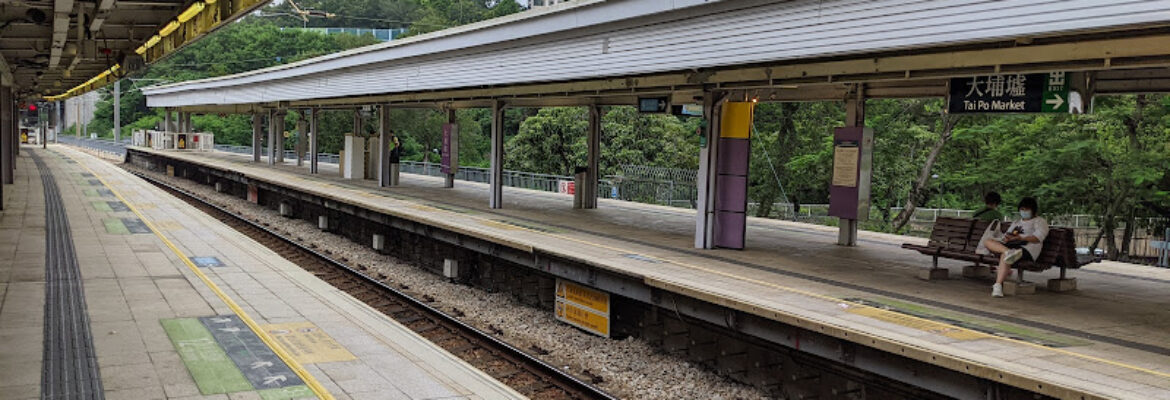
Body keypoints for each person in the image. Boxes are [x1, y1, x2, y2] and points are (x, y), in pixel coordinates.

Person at [982, 197, 1049, 297]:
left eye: (1026, 209)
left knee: (1005, 256)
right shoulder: (1017, 222)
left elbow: (1038, 238)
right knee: (987, 241)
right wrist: (1007, 239)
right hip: (1012, 247)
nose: (1024, 211)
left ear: (1033, 210)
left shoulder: (1040, 222)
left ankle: (998, 285)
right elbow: (1006, 236)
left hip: (1027, 249)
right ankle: (1008, 251)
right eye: (1022, 209)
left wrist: (1021, 238)